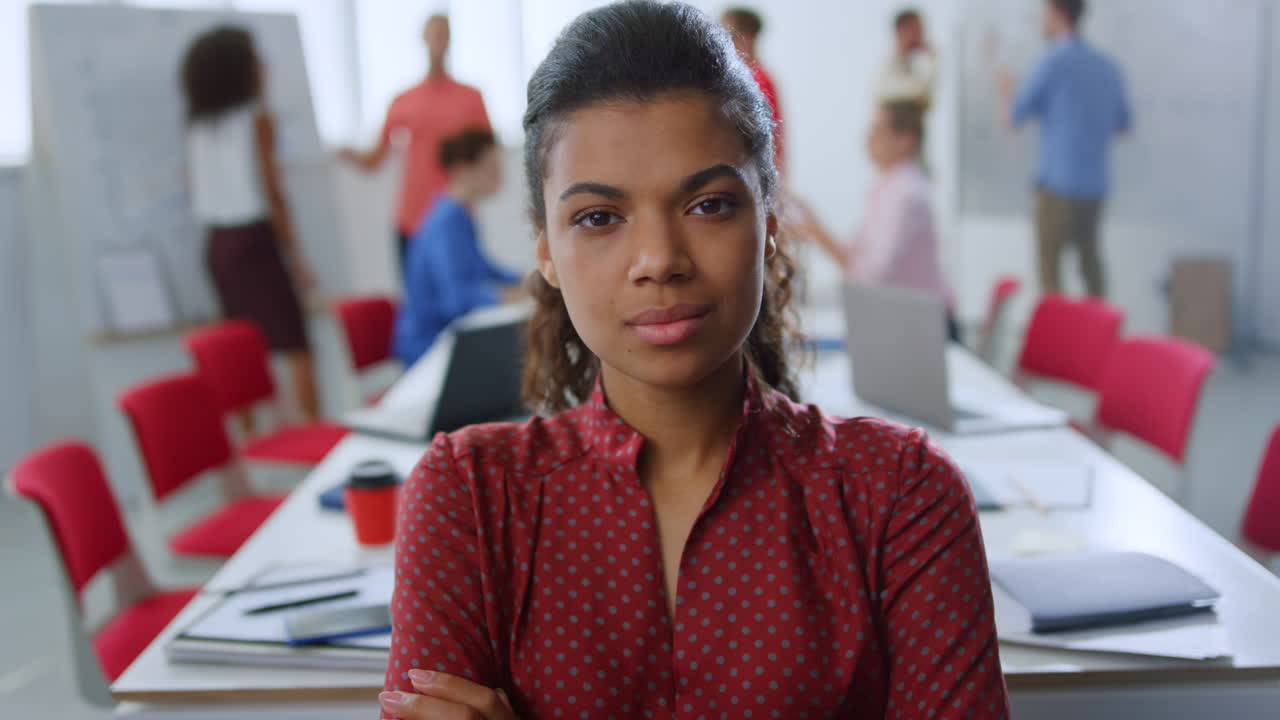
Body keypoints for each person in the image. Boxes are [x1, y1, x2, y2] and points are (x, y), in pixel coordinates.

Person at [377, 3, 1009, 719]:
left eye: (708, 205)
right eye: (598, 217)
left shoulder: (900, 497)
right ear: (546, 251)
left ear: (769, 225)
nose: (659, 260)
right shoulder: (468, 497)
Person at [181, 26, 320, 424]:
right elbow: (273, 193)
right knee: (294, 342)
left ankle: (249, 434)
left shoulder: (196, 126)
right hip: (254, 240)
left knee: (239, 349)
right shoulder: (256, 120)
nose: (264, 67)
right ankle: (313, 425)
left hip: (217, 245)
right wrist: (296, 257)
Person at [998, 0, 1131, 297]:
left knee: (1050, 270)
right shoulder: (1108, 67)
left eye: (1044, 13)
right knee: (1090, 263)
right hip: (1094, 185)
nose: (1041, 20)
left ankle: (1058, 328)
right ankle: (1100, 325)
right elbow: (1123, 125)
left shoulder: (1051, 63)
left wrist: (1006, 91)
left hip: (1057, 185)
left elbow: (1012, 120)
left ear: (1059, 13)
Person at [340, 14, 491, 275]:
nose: (438, 41)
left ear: (450, 40)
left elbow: (487, 157)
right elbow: (375, 159)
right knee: (417, 293)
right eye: (434, 34)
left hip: (456, 216)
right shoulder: (404, 100)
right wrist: (348, 154)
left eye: (443, 35)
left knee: (461, 291)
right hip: (411, 218)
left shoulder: (471, 98)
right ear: (424, 38)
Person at [795, 101, 957, 341]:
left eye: (877, 131)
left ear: (906, 140)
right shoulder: (888, 188)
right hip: (911, 320)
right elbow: (856, 258)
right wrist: (813, 227)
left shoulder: (906, 193)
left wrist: (815, 229)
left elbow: (874, 275)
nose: (867, 140)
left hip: (924, 326)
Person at [392, 127, 522, 367]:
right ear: (463, 170)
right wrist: (510, 294)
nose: (500, 176)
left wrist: (525, 280)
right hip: (430, 349)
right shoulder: (447, 221)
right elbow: (456, 297)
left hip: (449, 341)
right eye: (491, 168)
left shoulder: (459, 215)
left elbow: (483, 268)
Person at [720, 7, 785, 172]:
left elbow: (770, 137)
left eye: (729, 36)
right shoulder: (747, 76)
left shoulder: (757, 80)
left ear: (749, 37)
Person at [875, 8, 937, 111]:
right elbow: (918, 92)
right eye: (917, 30)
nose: (921, 35)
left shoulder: (909, 67)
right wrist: (933, 59)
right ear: (901, 30)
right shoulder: (888, 68)